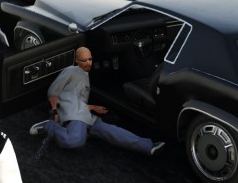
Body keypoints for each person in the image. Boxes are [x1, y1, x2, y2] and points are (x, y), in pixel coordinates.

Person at [30, 47, 164, 156]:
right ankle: (49, 126)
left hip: (83, 114)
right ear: (77, 60)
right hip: (73, 114)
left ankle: (148, 146)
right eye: (84, 60)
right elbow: (53, 91)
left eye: (90, 59)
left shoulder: (85, 76)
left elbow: (79, 101)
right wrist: (55, 112)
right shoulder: (70, 71)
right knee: (74, 140)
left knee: (112, 131)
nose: (88, 63)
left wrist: (93, 107)